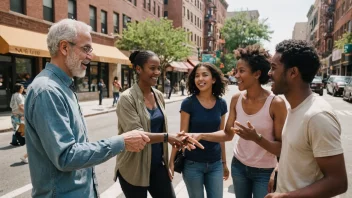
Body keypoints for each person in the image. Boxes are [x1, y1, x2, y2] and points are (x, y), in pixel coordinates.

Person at [24, 19, 151, 198]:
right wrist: (121, 142)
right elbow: (66, 156)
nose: (91, 56)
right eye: (86, 49)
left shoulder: (63, 87)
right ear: (64, 48)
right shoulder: (47, 91)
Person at [114, 50, 204, 198]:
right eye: (152, 68)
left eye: (158, 68)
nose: (157, 72)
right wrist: (168, 137)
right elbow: (137, 135)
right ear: (138, 69)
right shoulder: (126, 98)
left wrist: (175, 144)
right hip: (133, 168)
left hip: (157, 166)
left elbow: (160, 128)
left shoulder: (159, 95)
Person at [265, 40, 348, 198]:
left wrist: (285, 196)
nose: (269, 73)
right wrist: (278, 170)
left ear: (293, 73)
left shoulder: (317, 116)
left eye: (274, 68)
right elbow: (297, 153)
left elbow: (338, 182)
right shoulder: (294, 107)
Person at [229, 45, 287, 198]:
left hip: (265, 171)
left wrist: (256, 138)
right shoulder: (236, 99)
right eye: (236, 71)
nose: (236, 75)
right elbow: (226, 133)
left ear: (257, 74)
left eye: (241, 71)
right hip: (238, 166)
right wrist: (200, 135)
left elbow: (282, 147)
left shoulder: (276, 103)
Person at [169, 62, 229, 198]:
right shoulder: (188, 103)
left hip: (215, 164)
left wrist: (224, 163)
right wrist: (171, 161)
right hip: (192, 164)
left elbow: (222, 136)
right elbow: (181, 136)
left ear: (213, 79)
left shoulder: (221, 104)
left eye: (205, 75)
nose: (200, 79)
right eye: (197, 76)